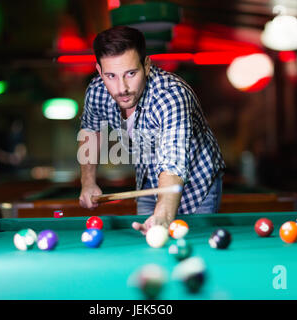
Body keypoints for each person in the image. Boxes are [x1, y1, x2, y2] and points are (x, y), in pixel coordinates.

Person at [78, 26, 226, 235]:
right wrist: (88, 181)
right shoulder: (96, 91)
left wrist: (163, 216)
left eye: (131, 73)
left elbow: (172, 163)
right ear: (100, 71)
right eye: (111, 75)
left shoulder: (171, 96)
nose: (122, 88)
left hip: (196, 181)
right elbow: (91, 131)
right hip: (148, 177)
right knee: (148, 238)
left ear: (146, 66)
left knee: (189, 242)